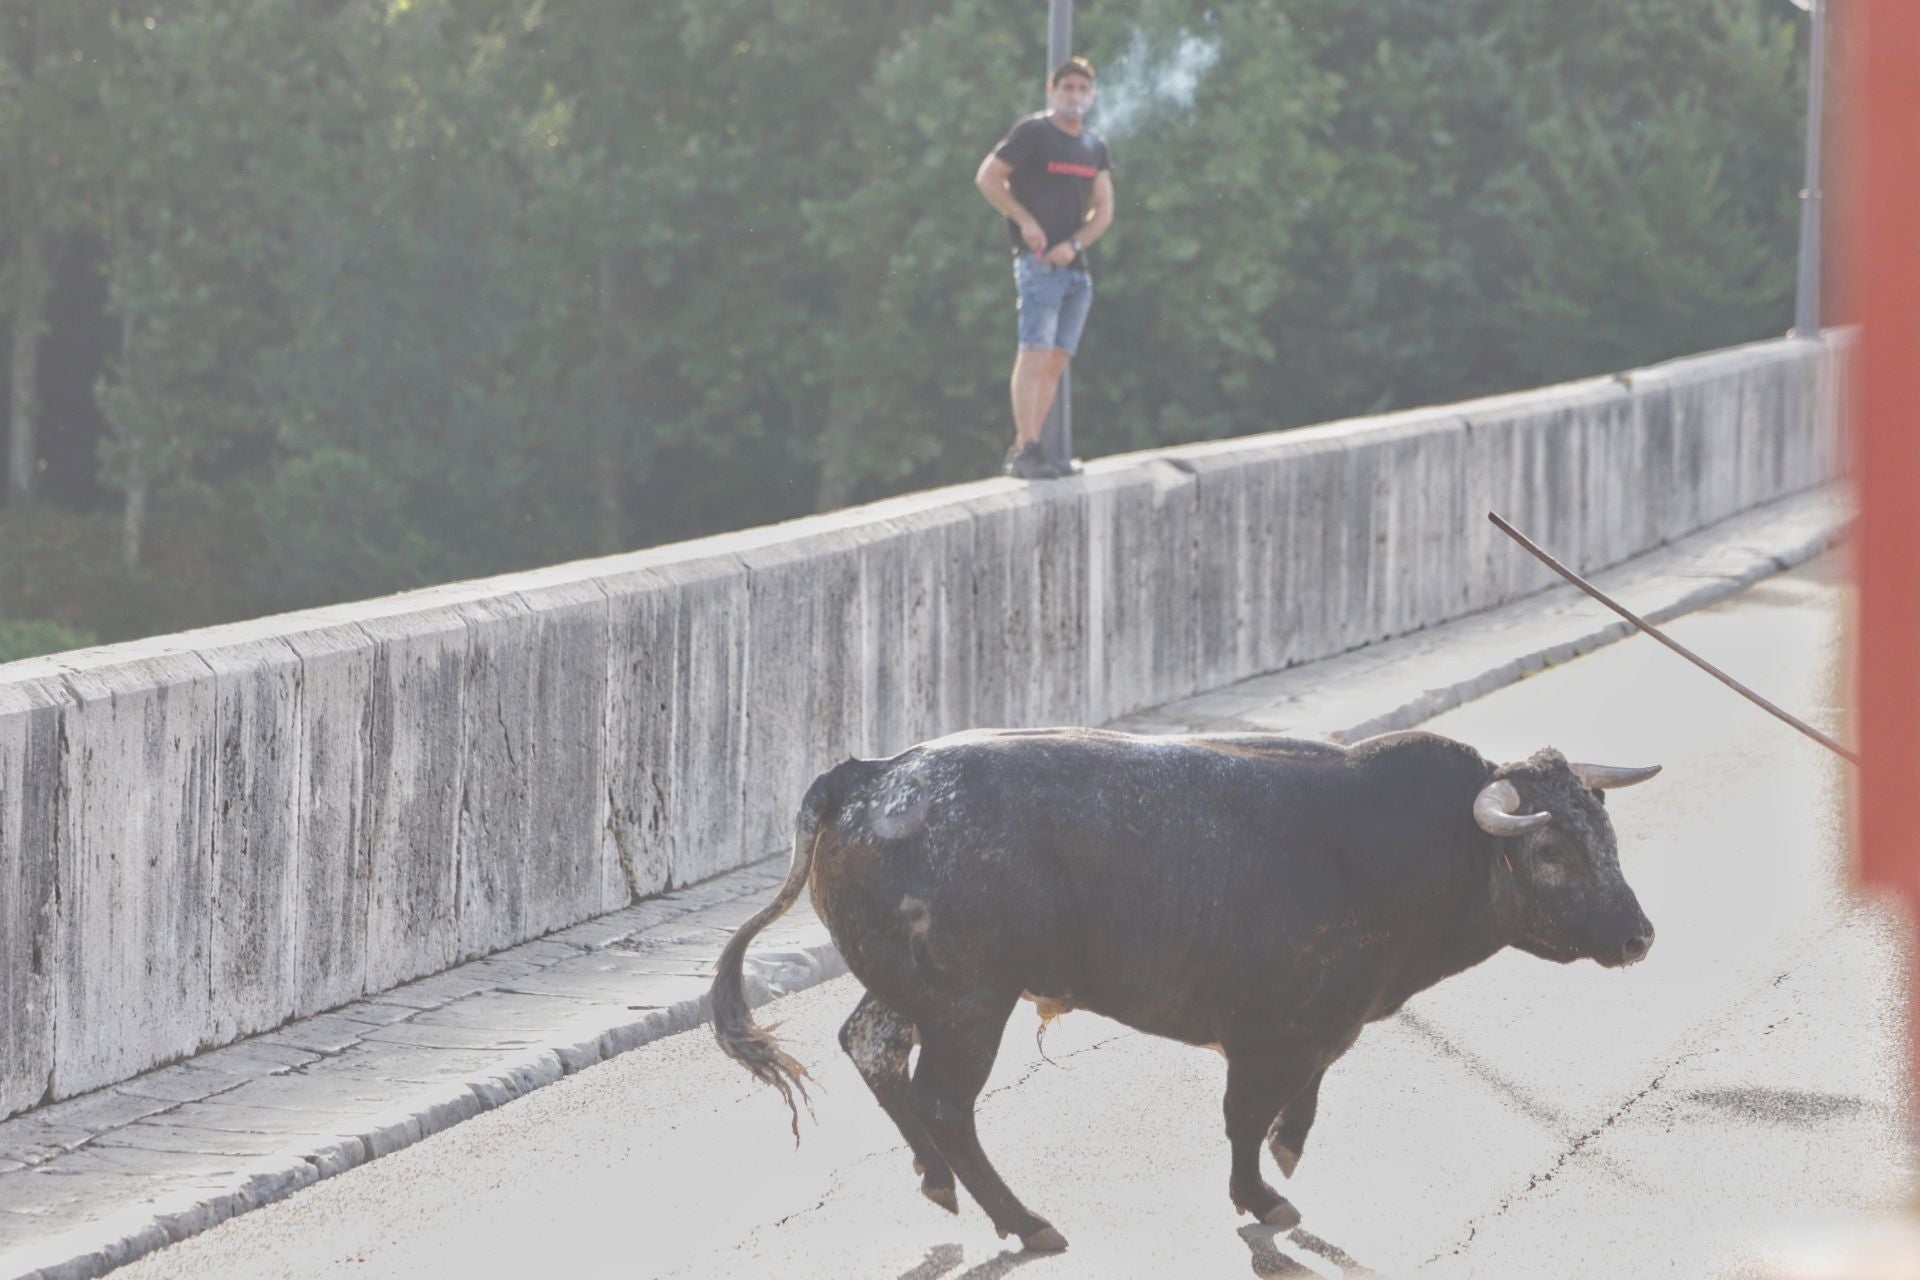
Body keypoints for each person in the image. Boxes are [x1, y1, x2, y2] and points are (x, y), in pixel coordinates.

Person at [975, 56, 1115, 481]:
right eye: (1067, 87)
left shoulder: (1094, 147)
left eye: (1082, 88)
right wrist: (1025, 221)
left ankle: (1036, 448)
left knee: (1055, 360)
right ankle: (1027, 449)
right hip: (1037, 266)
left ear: (1092, 96)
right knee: (1034, 353)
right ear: (1051, 91)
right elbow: (988, 178)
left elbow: (1104, 210)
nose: (1075, 95)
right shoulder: (1034, 133)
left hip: (1075, 270)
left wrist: (1075, 245)